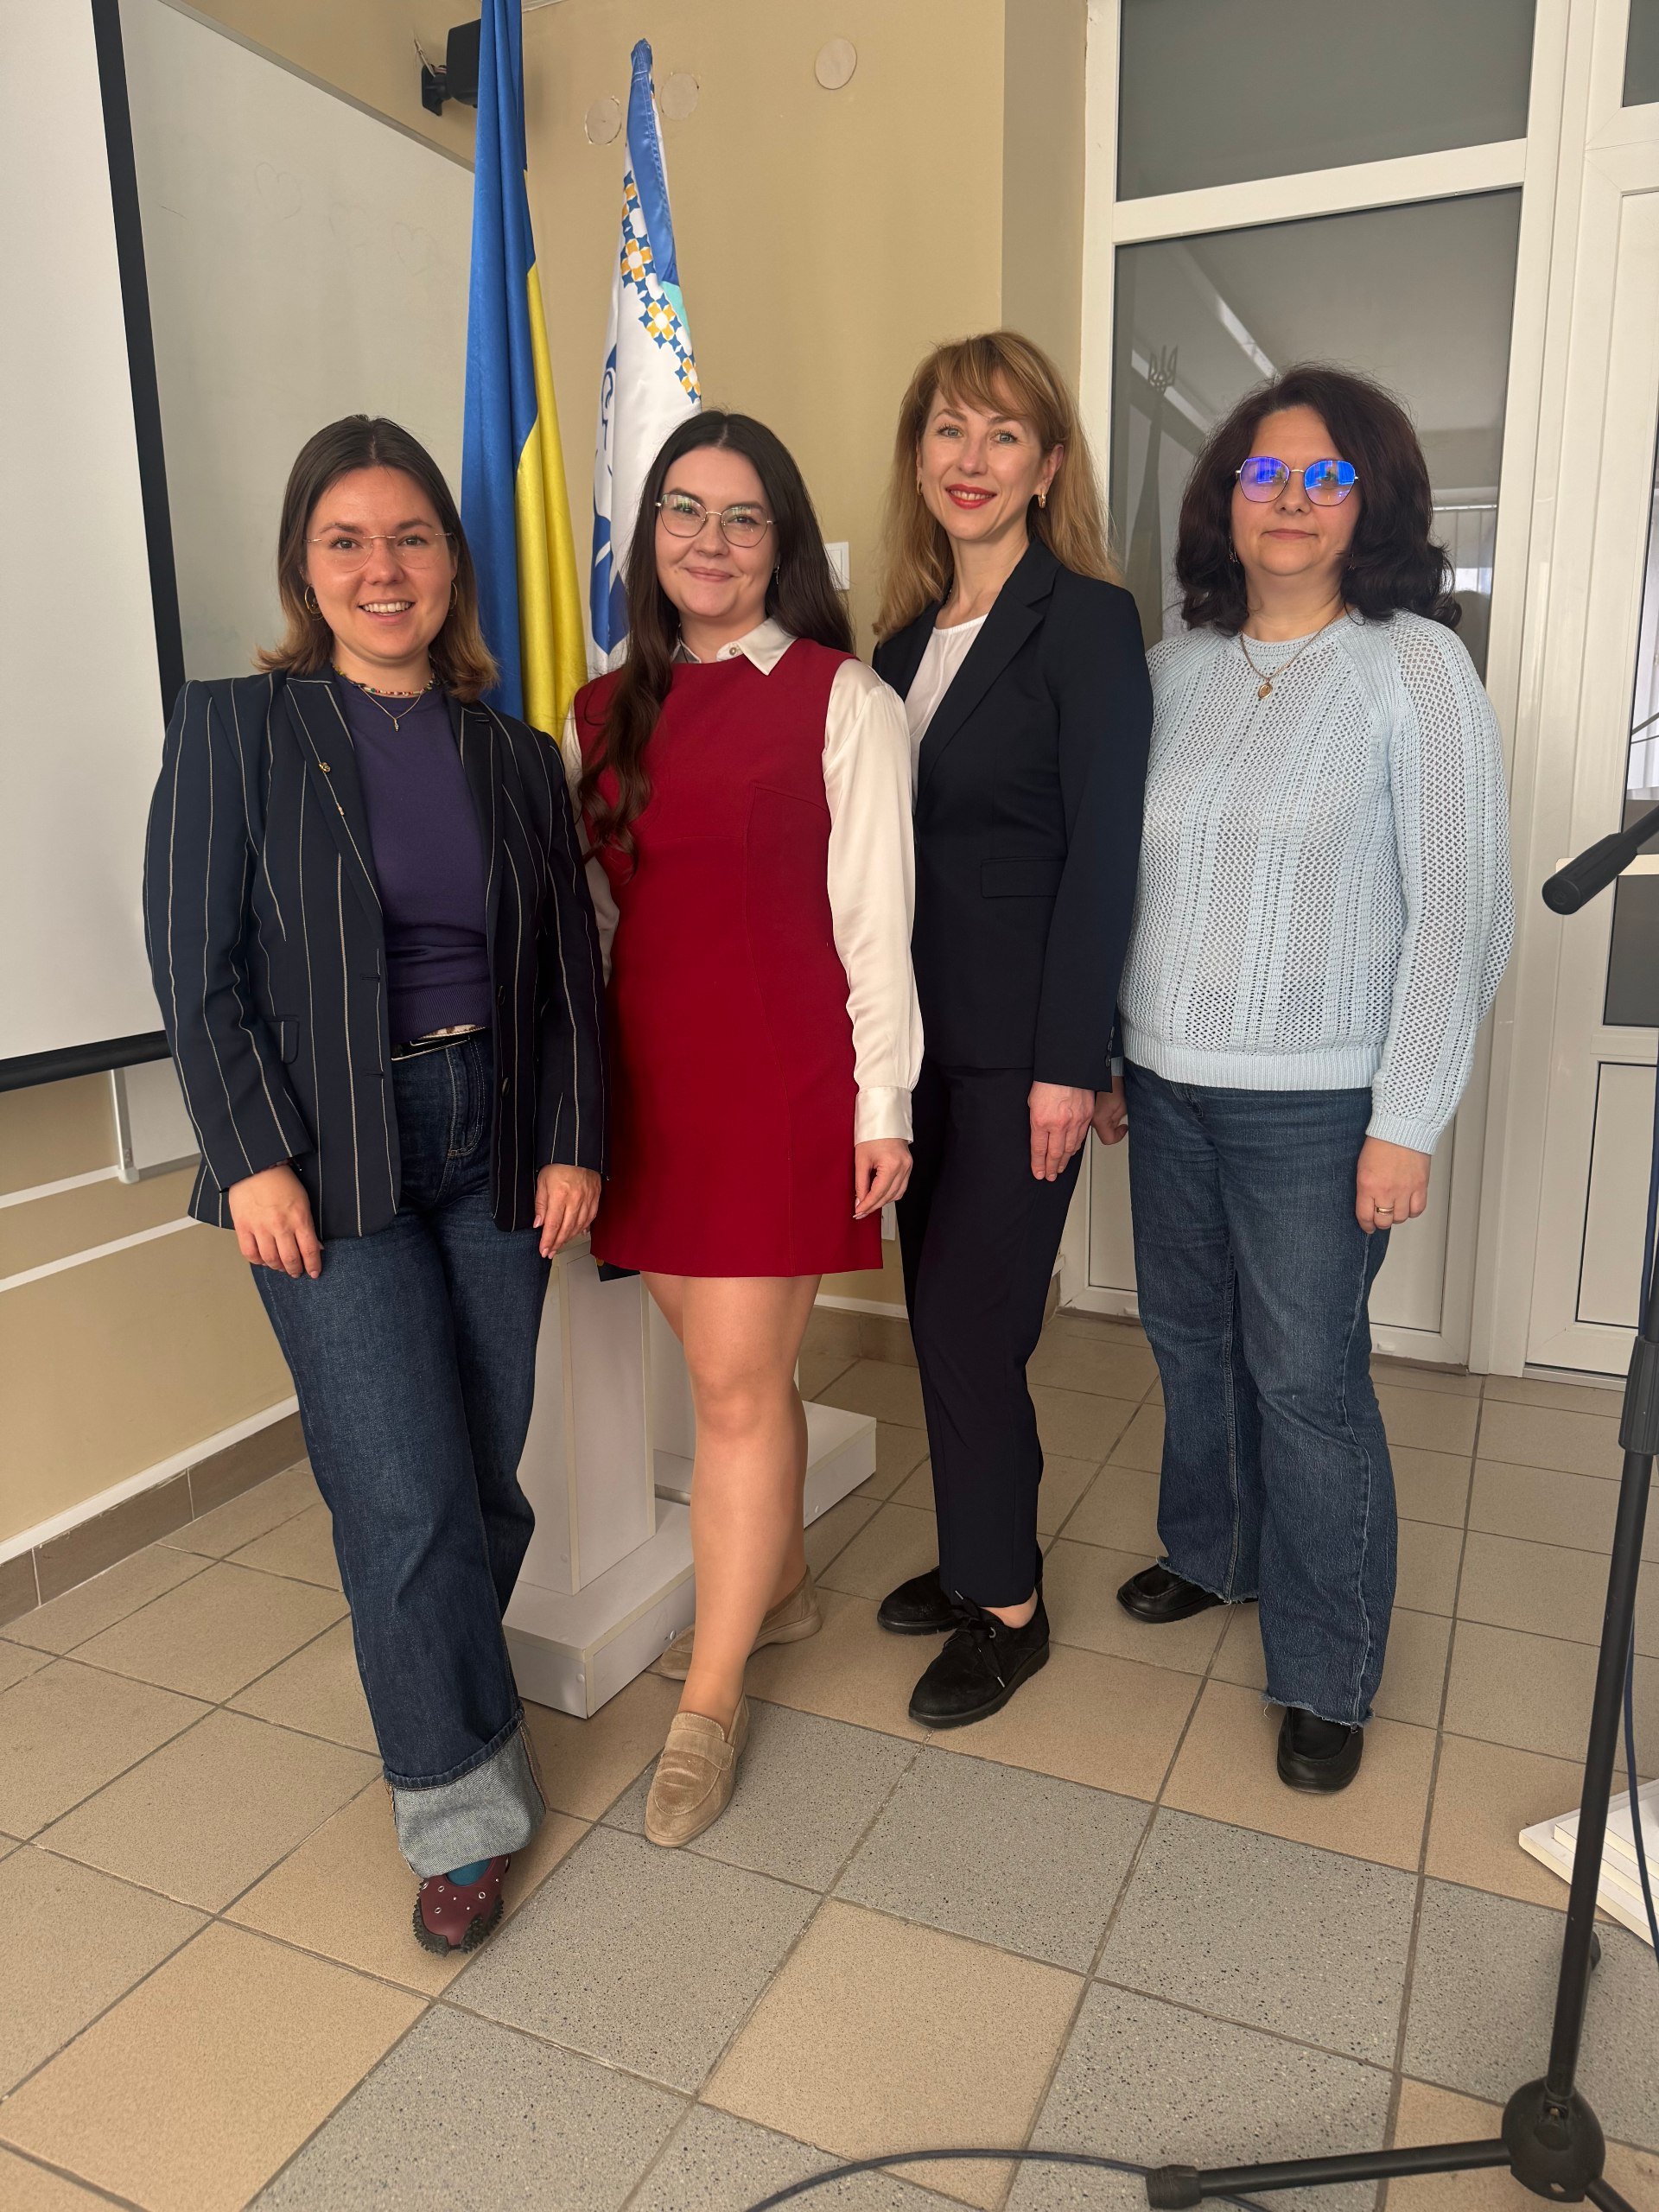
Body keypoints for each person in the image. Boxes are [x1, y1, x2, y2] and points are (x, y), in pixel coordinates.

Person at [143, 416, 606, 1949]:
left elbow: (569, 970)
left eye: (411, 537)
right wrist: (249, 1157)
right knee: (398, 1492)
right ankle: (460, 1812)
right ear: (304, 567)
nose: (381, 568)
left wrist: (572, 1136)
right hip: (325, 1153)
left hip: (499, 1142)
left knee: (479, 1478)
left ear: (451, 564)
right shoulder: (238, 729)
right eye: (345, 541)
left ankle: (455, 1705)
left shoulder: (513, 755)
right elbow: (194, 968)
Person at [1107, 365, 1513, 1792]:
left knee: (1308, 1380)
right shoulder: (1171, 671)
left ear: (1370, 502)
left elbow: (1460, 911)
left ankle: (1328, 1665)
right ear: (1226, 499)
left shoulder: (1416, 668)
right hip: (1166, 1082)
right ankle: (1214, 1551)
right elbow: (1126, 888)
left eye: (1327, 477)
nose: (1292, 499)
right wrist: (1111, 1048)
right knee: (1188, 1340)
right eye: (1266, 474)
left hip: (1321, 1106)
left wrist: (1408, 1119)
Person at [563, 411, 919, 1847]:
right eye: (683, 512)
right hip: (650, 1086)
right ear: (648, 534)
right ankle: (778, 1588)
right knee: (730, 1375)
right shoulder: (600, 711)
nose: (709, 542)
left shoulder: (845, 699)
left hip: (783, 1081)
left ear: (784, 543)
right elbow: (601, 921)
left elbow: (877, 920)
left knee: (730, 1386)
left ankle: (708, 1704)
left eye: (743, 517)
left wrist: (883, 1100)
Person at [869, 332, 1153, 1727]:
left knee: (970, 1329)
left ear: (1046, 468)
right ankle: (980, 1550)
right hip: (910, 1055)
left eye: (1001, 435)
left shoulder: (1087, 623)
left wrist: (1070, 1062)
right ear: (918, 459)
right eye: (947, 431)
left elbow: (1104, 858)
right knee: (940, 1325)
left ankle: (1009, 1611)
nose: (969, 459)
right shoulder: (895, 647)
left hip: (1016, 1056)